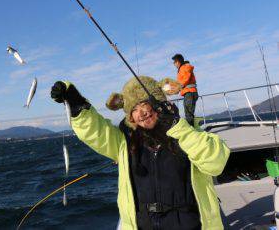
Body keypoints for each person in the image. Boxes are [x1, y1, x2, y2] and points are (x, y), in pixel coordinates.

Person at [51, 76, 229, 230]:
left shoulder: (189, 133)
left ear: (160, 104)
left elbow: (215, 163)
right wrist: (75, 103)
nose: (141, 113)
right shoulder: (124, 143)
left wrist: (177, 126)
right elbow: (96, 131)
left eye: (145, 105)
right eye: (134, 110)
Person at [172, 54, 198, 126]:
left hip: (190, 92)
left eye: (174, 62)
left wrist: (179, 87)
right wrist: (175, 88)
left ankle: (192, 131)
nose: (174, 64)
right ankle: (193, 129)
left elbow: (186, 79)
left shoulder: (184, 67)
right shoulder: (182, 69)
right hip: (188, 93)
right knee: (188, 113)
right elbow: (181, 82)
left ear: (178, 62)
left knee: (189, 114)